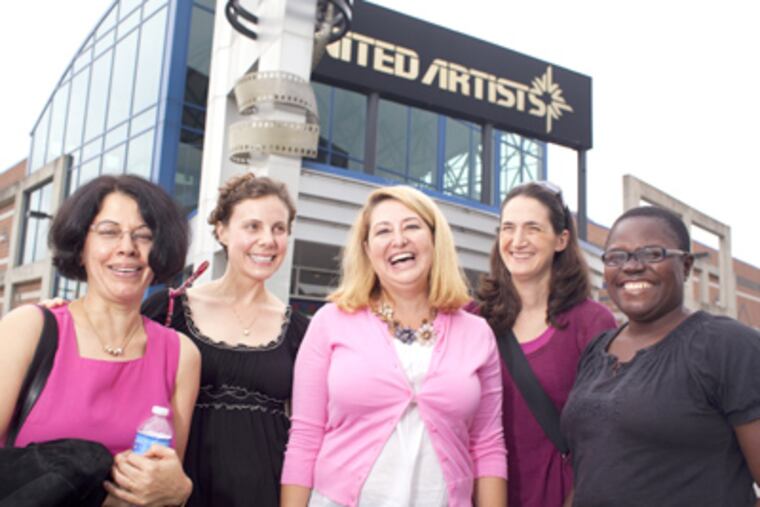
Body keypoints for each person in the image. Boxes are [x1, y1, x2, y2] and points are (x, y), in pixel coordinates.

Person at [281, 185, 507, 507]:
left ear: (434, 238)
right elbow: (305, 437)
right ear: (368, 249)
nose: (398, 240)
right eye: (383, 231)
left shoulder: (478, 333)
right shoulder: (329, 322)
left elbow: (488, 445)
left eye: (411, 226)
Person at [0, 174, 201, 506]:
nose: (127, 247)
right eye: (109, 232)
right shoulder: (30, 329)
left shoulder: (181, 355)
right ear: (80, 248)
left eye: (144, 236)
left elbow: (164, 477)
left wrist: (180, 491)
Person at [561, 206, 760, 506]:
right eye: (617, 257)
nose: (632, 267)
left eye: (652, 253)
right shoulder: (597, 349)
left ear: (687, 266)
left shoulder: (726, 346)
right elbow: (591, 470)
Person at [142, 173, 309, 506]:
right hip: (176, 492)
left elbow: (310, 432)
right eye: (252, 227)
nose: (268, 240)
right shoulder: (168, 308)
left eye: (279, 229)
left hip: (264, 493)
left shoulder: (300, 330)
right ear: (222, 231)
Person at [476, 181, 616, 507]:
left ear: (561, 239)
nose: (518, 241)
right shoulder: (475, 320)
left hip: (564, 495)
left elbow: (606, 436)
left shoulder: (592, 323)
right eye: (508, 228)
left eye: (533, 228)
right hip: (482, 494)